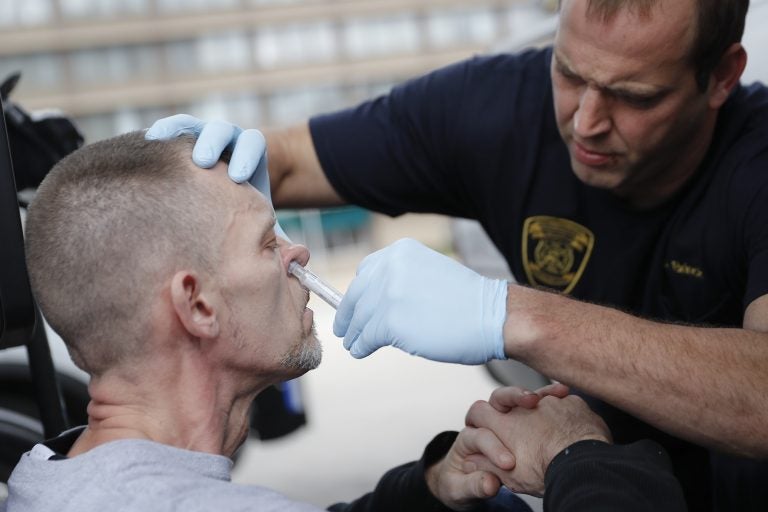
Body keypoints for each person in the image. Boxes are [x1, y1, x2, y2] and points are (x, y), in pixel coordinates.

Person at [146, 0, 768, 509]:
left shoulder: (757, 160)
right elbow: (290, 158)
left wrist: (512, 316)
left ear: (720, 76)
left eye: (634, 96)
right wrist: (210, 176)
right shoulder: (494, 107)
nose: (586, 121)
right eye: (570, 74)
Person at [1, 132, 685, 512]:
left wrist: (431, 487)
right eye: (267, 241)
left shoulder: (50, 473)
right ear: (197, 305)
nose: (296, 253)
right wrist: (582, 457)